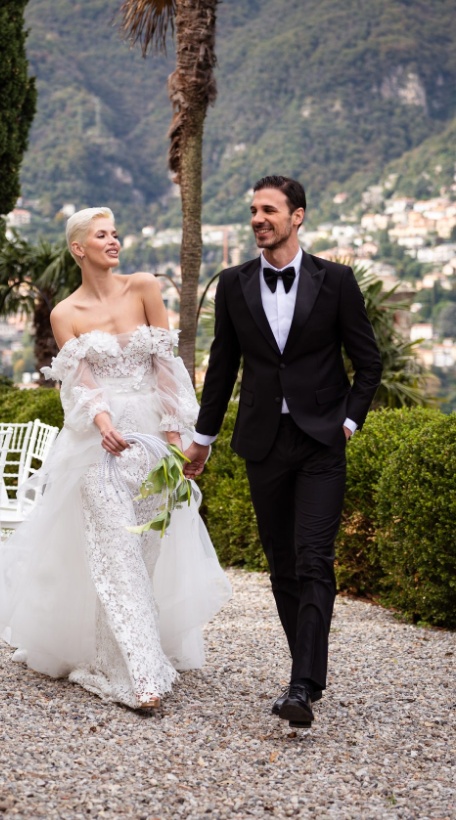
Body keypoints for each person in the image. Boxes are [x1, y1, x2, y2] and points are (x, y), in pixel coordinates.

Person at [0, 207, 231, 710]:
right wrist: (104, 424)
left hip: (153, 445)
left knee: (143, 554)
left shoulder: (145, 287)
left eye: (115, 233)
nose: (113, 241)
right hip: (97, 447)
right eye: (102, 235)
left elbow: (167, 368)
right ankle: (140, 675)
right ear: (78, 248)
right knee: (116, 554)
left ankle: (121, 653)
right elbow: (80, 383)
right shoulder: (64, 313)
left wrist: (177, 440)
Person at [184, 176, 382, 728]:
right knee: (282, 564)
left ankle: (300, 685)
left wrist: (348, 423)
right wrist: (202, 441)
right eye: (253, 210)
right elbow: (222, 369)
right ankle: (307, 673)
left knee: (314, 557)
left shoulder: (335, 281)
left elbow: (369, 363)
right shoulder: (233, 283)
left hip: (321, 441)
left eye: (269, 210)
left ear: (297, 216)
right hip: (263, 442)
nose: (258, 219)